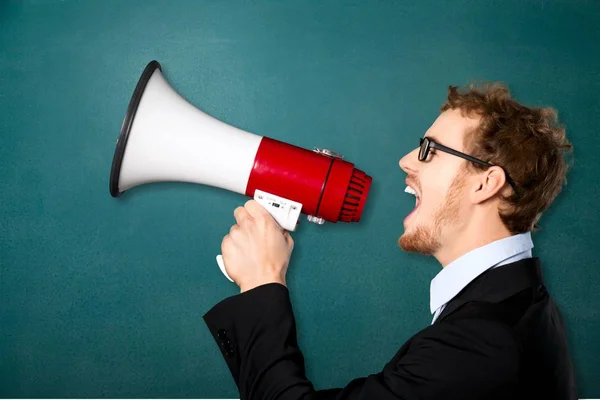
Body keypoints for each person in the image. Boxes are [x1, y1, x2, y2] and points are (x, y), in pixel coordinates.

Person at [203, 83, 577, 399]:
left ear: (485, 183)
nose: (405, 160)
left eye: (430, 150)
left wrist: (261, 281)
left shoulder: (482, 342)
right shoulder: (515, 307)